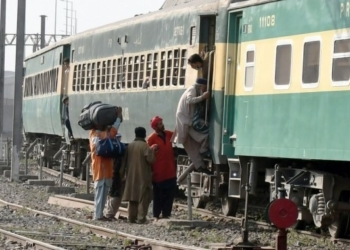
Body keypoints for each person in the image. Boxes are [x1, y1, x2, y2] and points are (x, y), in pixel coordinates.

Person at [89, 107, 123, 221]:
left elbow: (112, 132)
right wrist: (117, 119)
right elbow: (112, 133)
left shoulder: (101, 134)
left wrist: (118, 119)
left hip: (106, 169)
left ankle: (100, 214)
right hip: (99, 169)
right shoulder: (95, 135)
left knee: (104, 193)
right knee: (99, 193)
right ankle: (97, 215)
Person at [172, 78, 211, 174]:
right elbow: (189, 100)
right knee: (205, 136)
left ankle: (200, 165)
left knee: (190, 146)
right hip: (186, 120)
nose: (204, 89)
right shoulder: (192, 89)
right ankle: (202, 152)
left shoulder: (194, 90)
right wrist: (203, 97)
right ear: (201, 86)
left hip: (186, 120)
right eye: (204, 87)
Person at [121, 127, 157, 224]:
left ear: (135, 134)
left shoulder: (129, 146)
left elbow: (124, 162)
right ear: (144, 134)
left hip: (131, 176)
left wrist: (122, 174)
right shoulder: (145, 146)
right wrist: (153, 152)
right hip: (143, 176)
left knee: (132, 198)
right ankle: (141, 218)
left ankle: (131, 218)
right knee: (143, 197)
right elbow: (151, 160)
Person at [147, 116, 177, 221]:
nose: (162, 124)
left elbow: (177, 134)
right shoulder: (151, 139)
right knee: (158, 196)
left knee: (169, 195)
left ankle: (166, 214)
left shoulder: (168, 134)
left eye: (162, 122)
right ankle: (156, 215)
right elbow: (148, 155)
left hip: (170, 171)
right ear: (155, 127)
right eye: (159, 123)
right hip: (158, 173)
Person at [105, 133, 126, 220]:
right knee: (116, 194)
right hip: (116, 175)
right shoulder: (119, 150)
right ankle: (110, 214)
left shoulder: (108, 148)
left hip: (109, 173)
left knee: (110, 194)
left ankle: (109, 212)